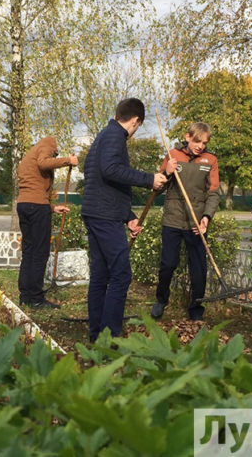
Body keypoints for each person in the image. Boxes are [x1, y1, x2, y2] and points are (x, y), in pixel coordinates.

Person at [81, 98, 166, 341]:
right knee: (120, 275)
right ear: (136, 121)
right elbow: (111, 170)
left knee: (100, 276)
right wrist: (149, 179)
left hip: (98, 212)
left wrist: (128, 216)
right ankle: (110, 337)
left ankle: (97, 335)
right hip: (104, 217)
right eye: (138, 126)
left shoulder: (102, 136)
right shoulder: (115, 136)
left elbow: (100, 180)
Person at [151, 122, 219, 322]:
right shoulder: (173, 155)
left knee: (198, 268)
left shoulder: (211, 160)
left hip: (197, 222)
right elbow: (157, 189)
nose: (200, 146)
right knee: (168, 264)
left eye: (204, 143)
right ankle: (161, 300)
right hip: (173, 219)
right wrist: (167, 173)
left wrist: (206, 217)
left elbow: (213, 193)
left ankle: (196, 308)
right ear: (188, 137)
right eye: (197, 141)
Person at [17, 136, 77, 308]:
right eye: (55, 152)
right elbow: (44, 163)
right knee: (40, 253)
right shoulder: (46, 145)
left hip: (24, 205)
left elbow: (32, 189)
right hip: (37, 207)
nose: (55, 154)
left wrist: (51, 208)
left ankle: (25, 295)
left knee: (28, 251)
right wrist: (68, 161)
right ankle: (36, 298)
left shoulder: (29, 156)